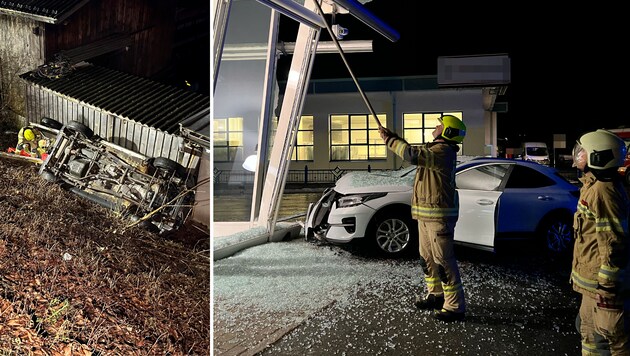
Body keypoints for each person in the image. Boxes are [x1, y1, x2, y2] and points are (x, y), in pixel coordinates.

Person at [379, 114, 467, 322]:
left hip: (438, 218)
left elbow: (411, 154)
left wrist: (389, 140)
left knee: (444, 262)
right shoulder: (436, 151)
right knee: (427, 259)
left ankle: (455, 305)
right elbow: (416, 151)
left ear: (448, 132)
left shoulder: (443, 151)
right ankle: (435, 294)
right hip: (426, 215)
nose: (436, 126)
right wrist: (394, 136)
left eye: (440, 125)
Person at [571, 129, 630, 355]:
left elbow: (614, 242)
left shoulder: (603, 192)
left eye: (583, 152)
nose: (578, 155)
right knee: (590, 335)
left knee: (614, 341)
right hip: (592, 286)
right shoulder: (595, 185)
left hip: (603, 289)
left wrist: (607, 286)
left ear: (598, 156)